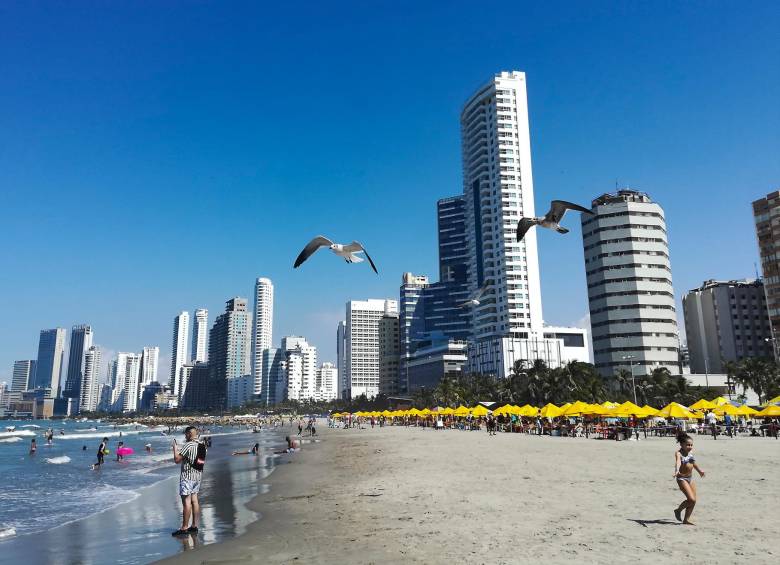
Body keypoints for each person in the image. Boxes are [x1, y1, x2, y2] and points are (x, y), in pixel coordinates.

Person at [172, 426, 202, 537]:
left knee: (186, 503)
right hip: (197, 476)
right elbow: (197, 461)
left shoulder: (188, 445)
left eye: (185, 434)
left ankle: (184, 527)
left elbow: (176, 460)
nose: (185, 436)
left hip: (187, 477)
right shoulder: (202, 445)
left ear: (189, 434)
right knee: (195, 501)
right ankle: (194, 526)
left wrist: (175, 448)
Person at [673, 433, 706, 525]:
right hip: (682, 479)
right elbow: (678, 462)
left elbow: (693, 463)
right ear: (681, 445)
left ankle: (686, 519)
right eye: (688, 445)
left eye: (691, 445)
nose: (690, 446)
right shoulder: (678, 453)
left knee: (694, 500)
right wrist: (676, 470)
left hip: (690, 478)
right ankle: (678, 510)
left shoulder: (690, 453)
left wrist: (700, 471)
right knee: (691, 499)